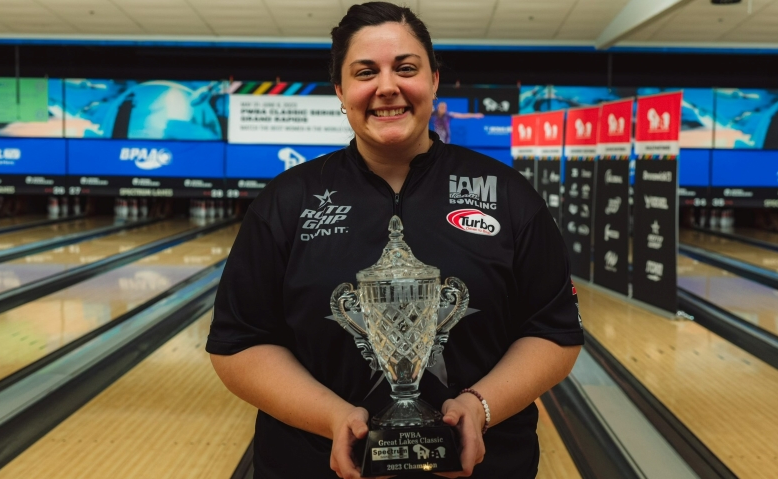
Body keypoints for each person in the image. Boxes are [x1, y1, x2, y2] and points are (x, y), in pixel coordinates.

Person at [207, 3, 583, 478]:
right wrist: (333, 418)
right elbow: (239, 343)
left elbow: (554, 332)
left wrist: (479, 406)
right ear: (340, 90)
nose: (387, 86)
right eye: (366, 72)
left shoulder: (507, 195)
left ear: (434, 80)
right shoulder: (286, 201)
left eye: (406, 68)